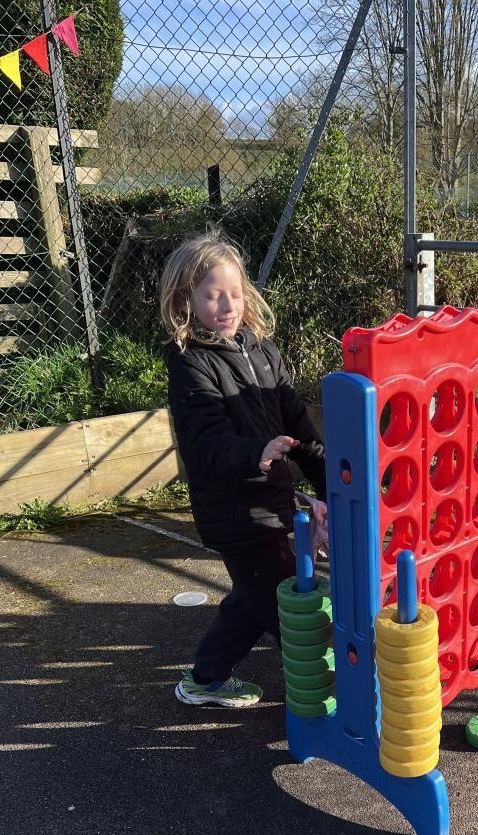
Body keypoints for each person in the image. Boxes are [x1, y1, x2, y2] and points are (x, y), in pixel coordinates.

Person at [160, 234, 327, 706]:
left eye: (234, 292)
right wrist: (257, 451)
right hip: (236, 513)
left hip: (267, 504)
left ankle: (205, 679)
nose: (227, 304)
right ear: (185, 300)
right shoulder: (191, 363)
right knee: (287, 608)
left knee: (251, 600)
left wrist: (329, 482)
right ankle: (323, 695)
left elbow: (297, 422)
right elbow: (207, 443)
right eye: (212, 295)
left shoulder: (260, 350)